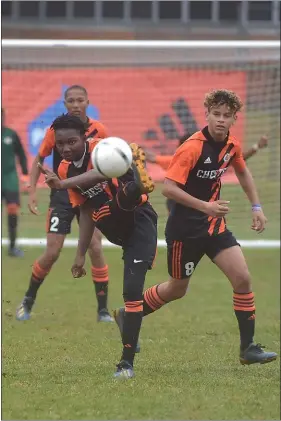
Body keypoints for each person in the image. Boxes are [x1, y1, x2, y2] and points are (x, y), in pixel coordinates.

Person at [116, 89, 277, 366]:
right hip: (184, 232)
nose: (221, 120)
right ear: (207, 115)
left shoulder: (232, 145)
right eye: (216, 114)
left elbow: (242, 170)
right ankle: (129, 313)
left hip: (214, 228)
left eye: (227, 116)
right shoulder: (191, 147)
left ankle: (248, 348)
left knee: (243, 279)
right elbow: (168, 189)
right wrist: (206, 206)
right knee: (178, 289)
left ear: (234, 119)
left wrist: (256, 207)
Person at [40, 113, 157, 379]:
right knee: (100, 209)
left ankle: (126, 363)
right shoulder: (64, 170)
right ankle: (136, 183)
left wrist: (63, 185)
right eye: (60, 144)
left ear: (85, 138)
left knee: (132, 291)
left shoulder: (101, 149)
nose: (66, 148)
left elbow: (99, 171)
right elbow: (83, 212)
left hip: (140, 221)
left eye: (72, 141)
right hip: (111, 225)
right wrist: (80, 255)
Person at [16, 85, 113, 323]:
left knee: (96, 247)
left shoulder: (99, 130)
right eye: (71, 100)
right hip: (61, 195)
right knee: (52, 252)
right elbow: (39, 158)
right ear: (65, 104)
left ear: (88, 102)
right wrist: (32, 190)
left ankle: (103, 311)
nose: (76, 104)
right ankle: (27, 301)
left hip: (88, 193)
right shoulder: (55, 130)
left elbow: (110, 161)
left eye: (80, 100)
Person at [145, 132, 269, 213]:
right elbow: (151, 157)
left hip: (202, 202)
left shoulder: (207, 158)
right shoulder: (176, 159)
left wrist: (256, 147)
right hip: (179, 202)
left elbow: (236, 160)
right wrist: (130, 151)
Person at [1, 108, 28, 257]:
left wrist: (24, 175)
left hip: (9, 179)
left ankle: (12, 247)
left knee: (12, 210)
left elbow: (22, 154)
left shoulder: (11, 135)